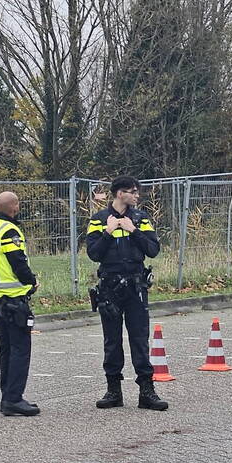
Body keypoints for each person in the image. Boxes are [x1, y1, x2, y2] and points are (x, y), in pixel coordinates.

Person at [86, 175, 168, 411]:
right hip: (109, 288)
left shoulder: (141, 219)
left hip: (135, 286)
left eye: (136, 192)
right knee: (112, 340)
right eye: (132, 191)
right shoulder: (99, 220)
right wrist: (108, 233)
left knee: (139, 339)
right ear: (120, 193)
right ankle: (114, 391)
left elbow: (152, 250)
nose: (136, 195)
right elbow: (94, 254)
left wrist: (134, 231)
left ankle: (147, 391)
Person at [0, 191, 40, 416]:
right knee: (20, 349)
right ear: (13, 207)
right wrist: (32, 281)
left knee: (6, 348)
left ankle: (8, 396)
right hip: (13, 297)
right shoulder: (9, 231)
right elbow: (18, 262)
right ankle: (14, 398)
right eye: (17, 205)